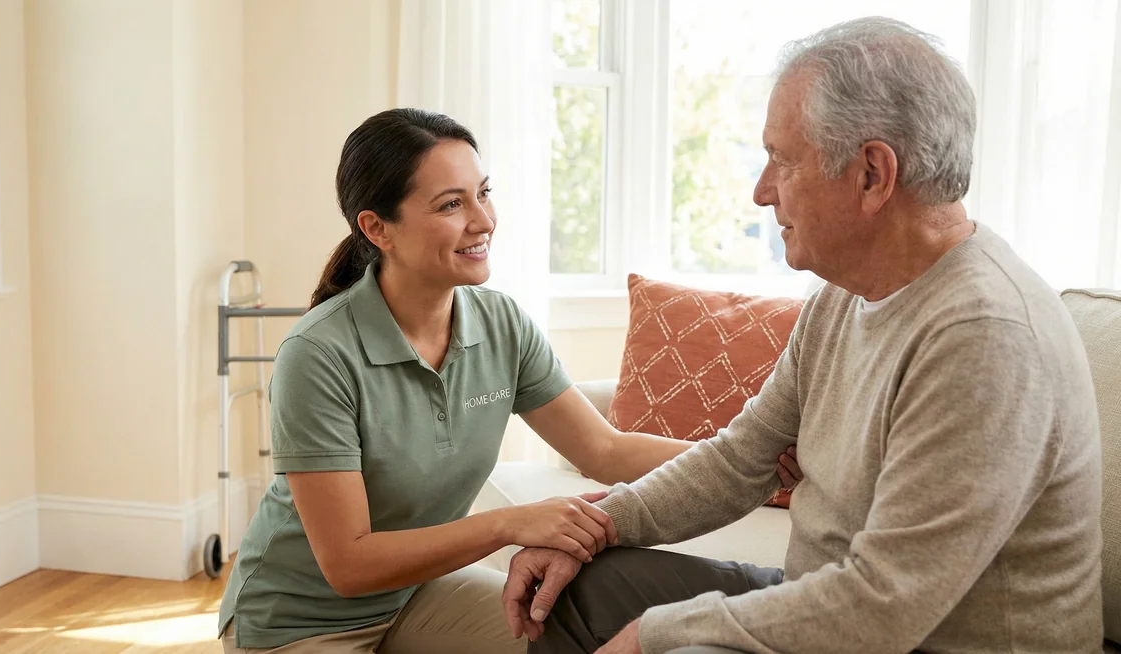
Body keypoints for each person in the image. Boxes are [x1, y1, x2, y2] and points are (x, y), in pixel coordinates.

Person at [502, 16, 1104, 654]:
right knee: (573, 582)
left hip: (912, 635)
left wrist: (654, 634)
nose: (761, 192)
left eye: (782, 160)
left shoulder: (984, 337)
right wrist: (590, 527)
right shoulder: (843, 297)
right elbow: (741, 460)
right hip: (827, 595)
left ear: (872, 174)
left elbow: (882, 606)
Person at [216, 107, 803, 654]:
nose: (483, 220)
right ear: (377, 228)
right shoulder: (318, 354)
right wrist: (508, 523)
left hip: (416, 593)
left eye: (483, 193)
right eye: (451, 205)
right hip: (299, 620)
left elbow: (604, 449)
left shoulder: (499, 323)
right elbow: (349, 565)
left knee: (568, 629)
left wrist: (749, 460)